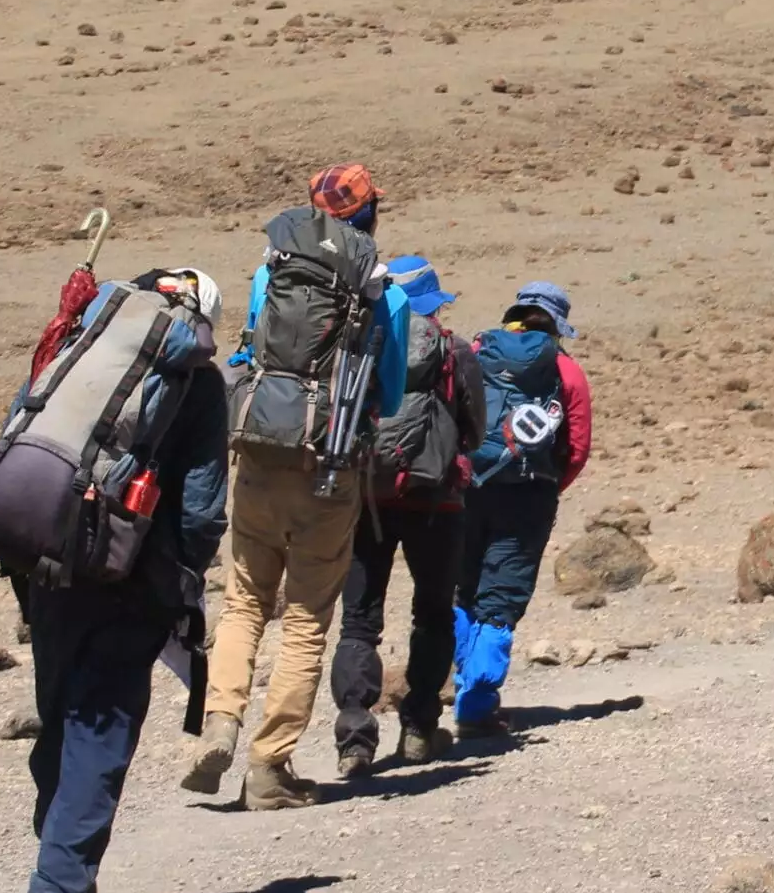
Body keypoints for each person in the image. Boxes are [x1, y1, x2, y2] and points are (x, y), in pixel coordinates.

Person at [18, 269, 230, 893]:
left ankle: (65, 863)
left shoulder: (81, 340)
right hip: (131, 574)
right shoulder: (198, 382)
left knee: (61, 712)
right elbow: (199, 506)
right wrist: (183, 577)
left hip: (44, 557)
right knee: (101, 727)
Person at [183, 163, 410, 810]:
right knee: (307, 619)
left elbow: (249, 351)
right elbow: (389, 393)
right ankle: (268, 765)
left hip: (258, 451)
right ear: (368, 218)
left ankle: (220, 721)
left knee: (245, 600)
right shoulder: (383, 293)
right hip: (329, 466)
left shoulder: (270, 271)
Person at [328, 254, 485, 778]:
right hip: (436, 500)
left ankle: (354, 739)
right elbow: (476, 428)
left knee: (358, 622)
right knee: (434, 613)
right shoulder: (453, 349)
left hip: (367, 500)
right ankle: (418, 728)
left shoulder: (360, 344)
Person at [453, 281, 591, 736]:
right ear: (556, 325)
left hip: (469, 486)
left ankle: (457, 683)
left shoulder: (475, 351)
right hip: (529, 494)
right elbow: (577, 446)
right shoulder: (566, 371)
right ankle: (476, 704)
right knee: (503, 595)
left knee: (464, 588)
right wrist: (549, 485)